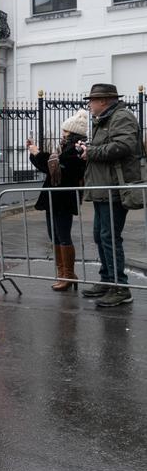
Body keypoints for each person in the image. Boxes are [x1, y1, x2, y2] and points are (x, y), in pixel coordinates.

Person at [77, 83, 140, 307]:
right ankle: (107, 280)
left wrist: (91, 151)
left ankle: (120, 288)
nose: (89, 105)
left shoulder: (121, 117)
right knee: (100, 236)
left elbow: (124, 145)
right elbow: (107, 146)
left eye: (91, 101)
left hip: (114, 188)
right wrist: (87, 148)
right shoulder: (104, 119)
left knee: (110, 237)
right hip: (103, 188)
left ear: (103, 101)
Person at [26, 109, 88, 292]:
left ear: (74, 133)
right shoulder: (65, 148)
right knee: (54, 235)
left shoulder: (76, 149)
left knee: (63, 235)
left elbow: (57, 165)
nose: (63, 134)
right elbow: (50, 165)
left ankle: (68, 275)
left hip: (64, 199)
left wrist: (37, 153)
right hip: (54, 198)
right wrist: (34, 153)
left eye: (66, 131)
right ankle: (63, 274)